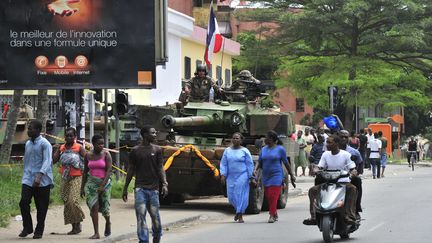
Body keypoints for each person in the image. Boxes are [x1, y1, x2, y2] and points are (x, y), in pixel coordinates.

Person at [122, 125, 169, 243]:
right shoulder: (135, 151)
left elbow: (160, 168)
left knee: (155, 217)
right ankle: (143, 240)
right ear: (145, 135)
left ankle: (157, 237)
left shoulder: (157, 149)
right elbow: (131, 170)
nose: (155, 135)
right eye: (152, 133)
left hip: (154, 189)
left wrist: (164, 183)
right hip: (140, 189)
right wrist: (125, 188)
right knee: (141, 217)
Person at [303, 135, 358, 226]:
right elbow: (320, 167)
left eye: (329, 142)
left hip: (343, 182)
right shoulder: (325, 154)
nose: (327, 144)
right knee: (313, 190)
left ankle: (349, 216)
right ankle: (314, 216)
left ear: (337, 143)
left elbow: (352, 168)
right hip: (328, 182)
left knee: (352, 189)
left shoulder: (346, 155)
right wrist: (315, 170)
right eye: (326, 142)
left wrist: (353, 173)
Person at [19, 120, 54, 239]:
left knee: (41, 207)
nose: (28, 130)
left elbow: (47, 161)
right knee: (23, 202)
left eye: (31, 128)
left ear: (38, 130)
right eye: (28, 128)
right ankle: (27, 227)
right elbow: (27, 161)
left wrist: (39, 176)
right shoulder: (28, 144)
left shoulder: (45, 144)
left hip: (43, 181)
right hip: (28, 179)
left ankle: (39, 231)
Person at [257, 130, 296, 223]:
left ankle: (271, 215)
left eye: (266, 137)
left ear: (271, 139)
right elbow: (259, 161)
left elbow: (286, 163)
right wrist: (255, 170)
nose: (265, 139)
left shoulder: (280, 149)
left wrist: (291, 175)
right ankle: (274, 212)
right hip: (266, 175)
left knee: (273, 196)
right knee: (268, 196)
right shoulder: (263, 149)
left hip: (276, 175)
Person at [53, 127, 86, 235]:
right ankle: (74, 226)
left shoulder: (79, 148)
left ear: (75, 137)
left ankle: (79, 220)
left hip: (77, 177)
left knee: (73, 200)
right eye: (67, 135)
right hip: (65, 177)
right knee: (67, 201)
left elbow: (87, 160)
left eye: (71, 136)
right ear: (64, 137)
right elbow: (54, 160)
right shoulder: (62, 148)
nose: (69, 137)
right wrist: (57, 150)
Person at [80, 134, 113, 239]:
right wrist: (82, 187)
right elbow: (85, 172)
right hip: (91, 183)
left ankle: (108, 221)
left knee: (105, 209)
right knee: (93, 207)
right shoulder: (88, 155)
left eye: (103, 143)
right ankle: (96, 232)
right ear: (93, 144)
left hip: (105, 183)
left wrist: (102, 185)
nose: (101, 146)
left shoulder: (106, 154)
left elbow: (109, 171)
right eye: (99, 144)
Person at [220, 133, 254, 223]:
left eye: (237, 138)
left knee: (239, 193)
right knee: (231, 196)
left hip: (243, 175)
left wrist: (251, 176)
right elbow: (224, 163)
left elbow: (249, 164)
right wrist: (223, 174)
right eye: (234, 138)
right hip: (230, 176)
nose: (235, 140)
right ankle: (238, 210)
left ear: (241, 140)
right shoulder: (227, 151)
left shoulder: (245, 151)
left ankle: (240, 214)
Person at [338, 130, 364, 215]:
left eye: (346, 137)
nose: (343, 138)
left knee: (357, 180)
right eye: (341, 136)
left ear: (348, 138)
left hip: (347, 177)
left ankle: (356, 208)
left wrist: (356, 172)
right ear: (337, 137)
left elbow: (360, 163)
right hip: (332, 177)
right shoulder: (331, 149)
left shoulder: (354, 152)